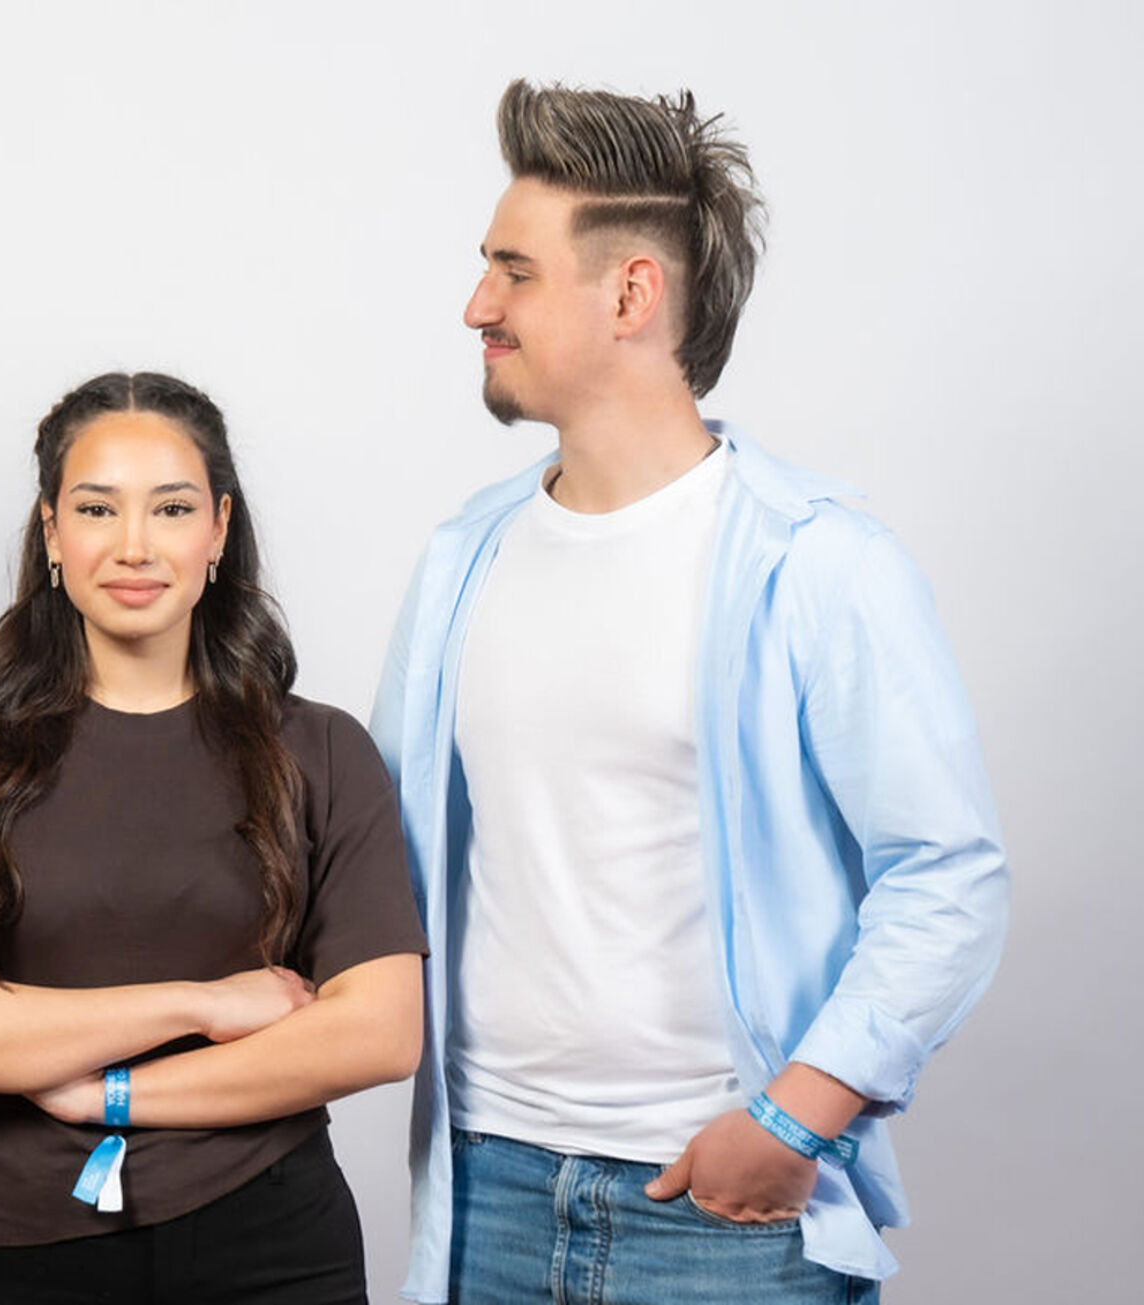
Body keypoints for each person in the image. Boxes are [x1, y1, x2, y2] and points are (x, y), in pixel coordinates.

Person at [372, 81, 1009, 1304]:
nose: (476, 306)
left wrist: (797, 1117)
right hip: (488, 1192)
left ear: (631, 295)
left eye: (513, 272)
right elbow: (376, 858)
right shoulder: (462, 561)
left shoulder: (818, 563)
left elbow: (948, 874)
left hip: (725, 1215)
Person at [0, 371, 427, 1305]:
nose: (133, 545)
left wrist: (106, 1095)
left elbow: (380, 1032)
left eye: (171, 507)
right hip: (20, 1239)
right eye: (96, 508)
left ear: (219, 530)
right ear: (51, 532)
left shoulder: (320, 749)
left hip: (274, 1243)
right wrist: (203, 1002)